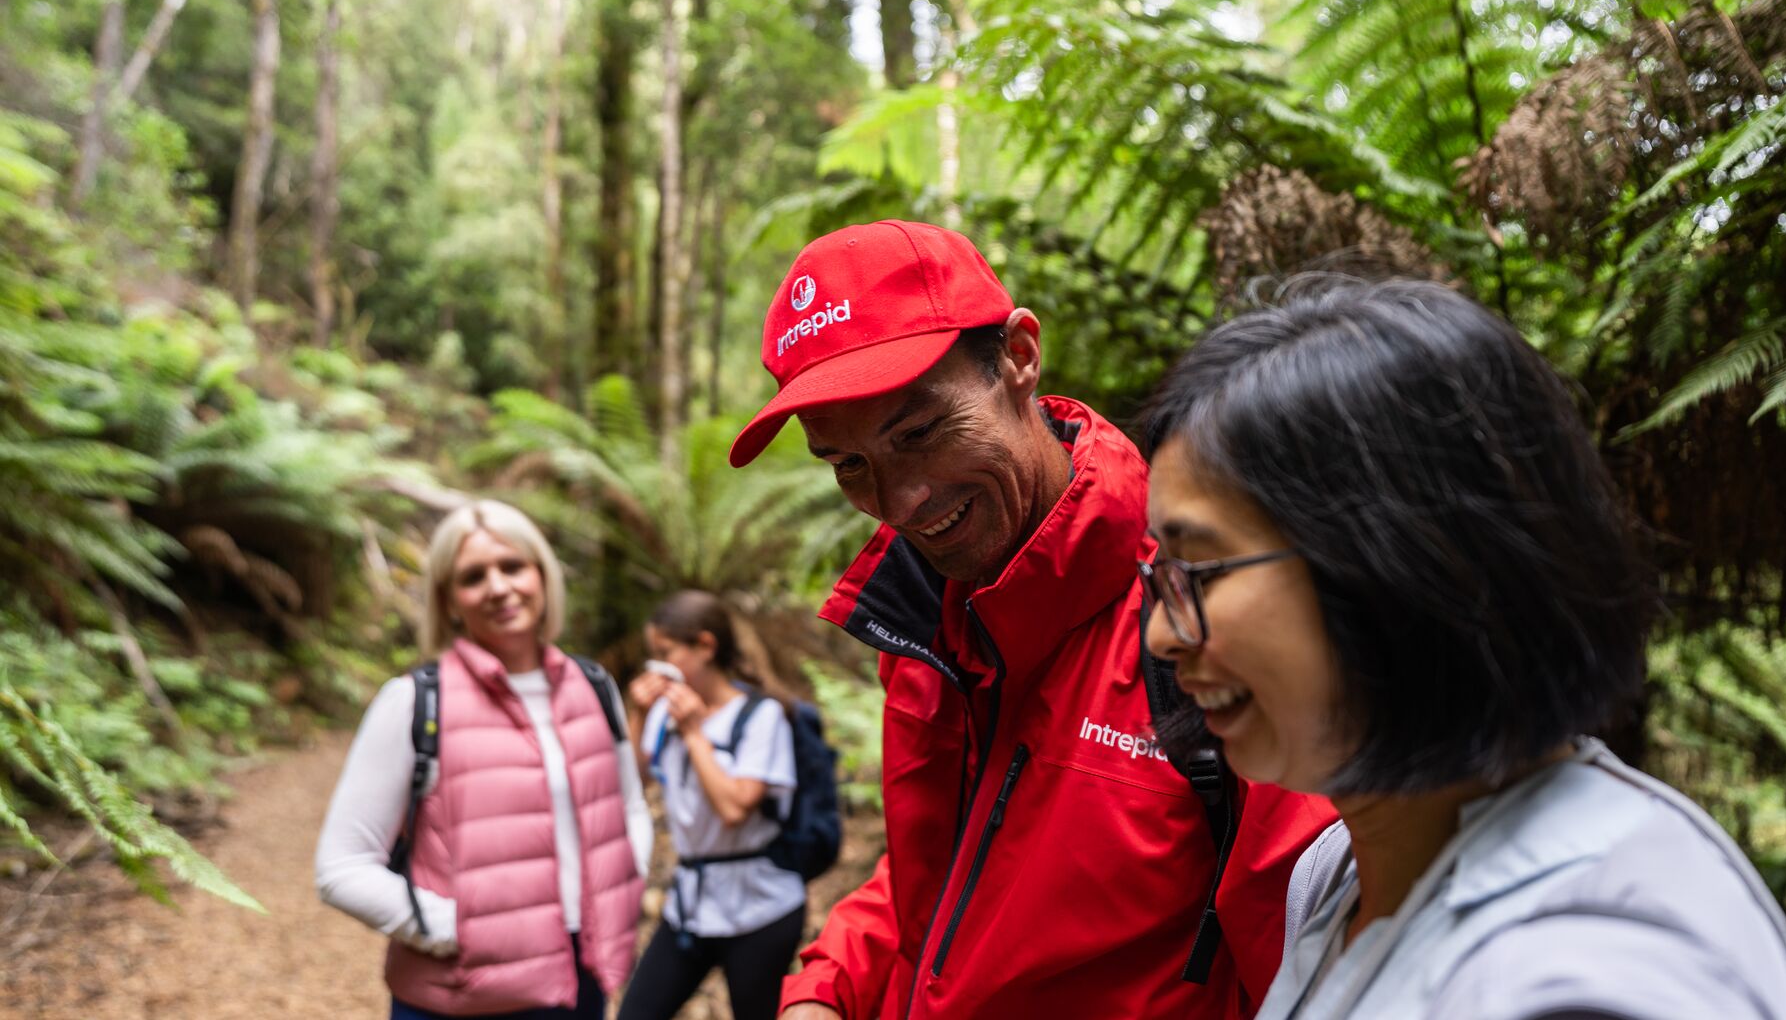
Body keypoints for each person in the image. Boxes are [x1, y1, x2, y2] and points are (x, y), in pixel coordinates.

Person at [1136, 276, 1786, 1019]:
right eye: (1161, 578)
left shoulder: (1587, 975)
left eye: (1199, 571)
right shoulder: (1343, 873)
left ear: (1406, 565)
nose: (1161, 635)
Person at [727, 219, 1338, 1019]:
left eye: (919, 432)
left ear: (1018, 356)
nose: (899, 501)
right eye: (850, 465)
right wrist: (828, 988)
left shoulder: (1208, 617)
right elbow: (948, 869)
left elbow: (1315, 956)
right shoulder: (927, 616)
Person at [316, 499, 651, 1019]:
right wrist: (459, 932)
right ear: (449, 599)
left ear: (541, 574)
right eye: (474, 576)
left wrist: (623, 890)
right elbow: (342, 866)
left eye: (513, 566)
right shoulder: (412, 701)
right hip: (457, 999)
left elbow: (628, 807)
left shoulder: (594, 686)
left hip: (580, 985)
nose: (498, 587)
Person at [618, 590, 807, 1020]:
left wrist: (695, 733)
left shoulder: (762, 717)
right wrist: (639, 714)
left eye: (665, 654)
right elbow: (632, 780)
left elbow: (735, 807)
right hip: (692, 905)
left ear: (705, 646)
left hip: (761, 909)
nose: (658, 667)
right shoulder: (666, 713)